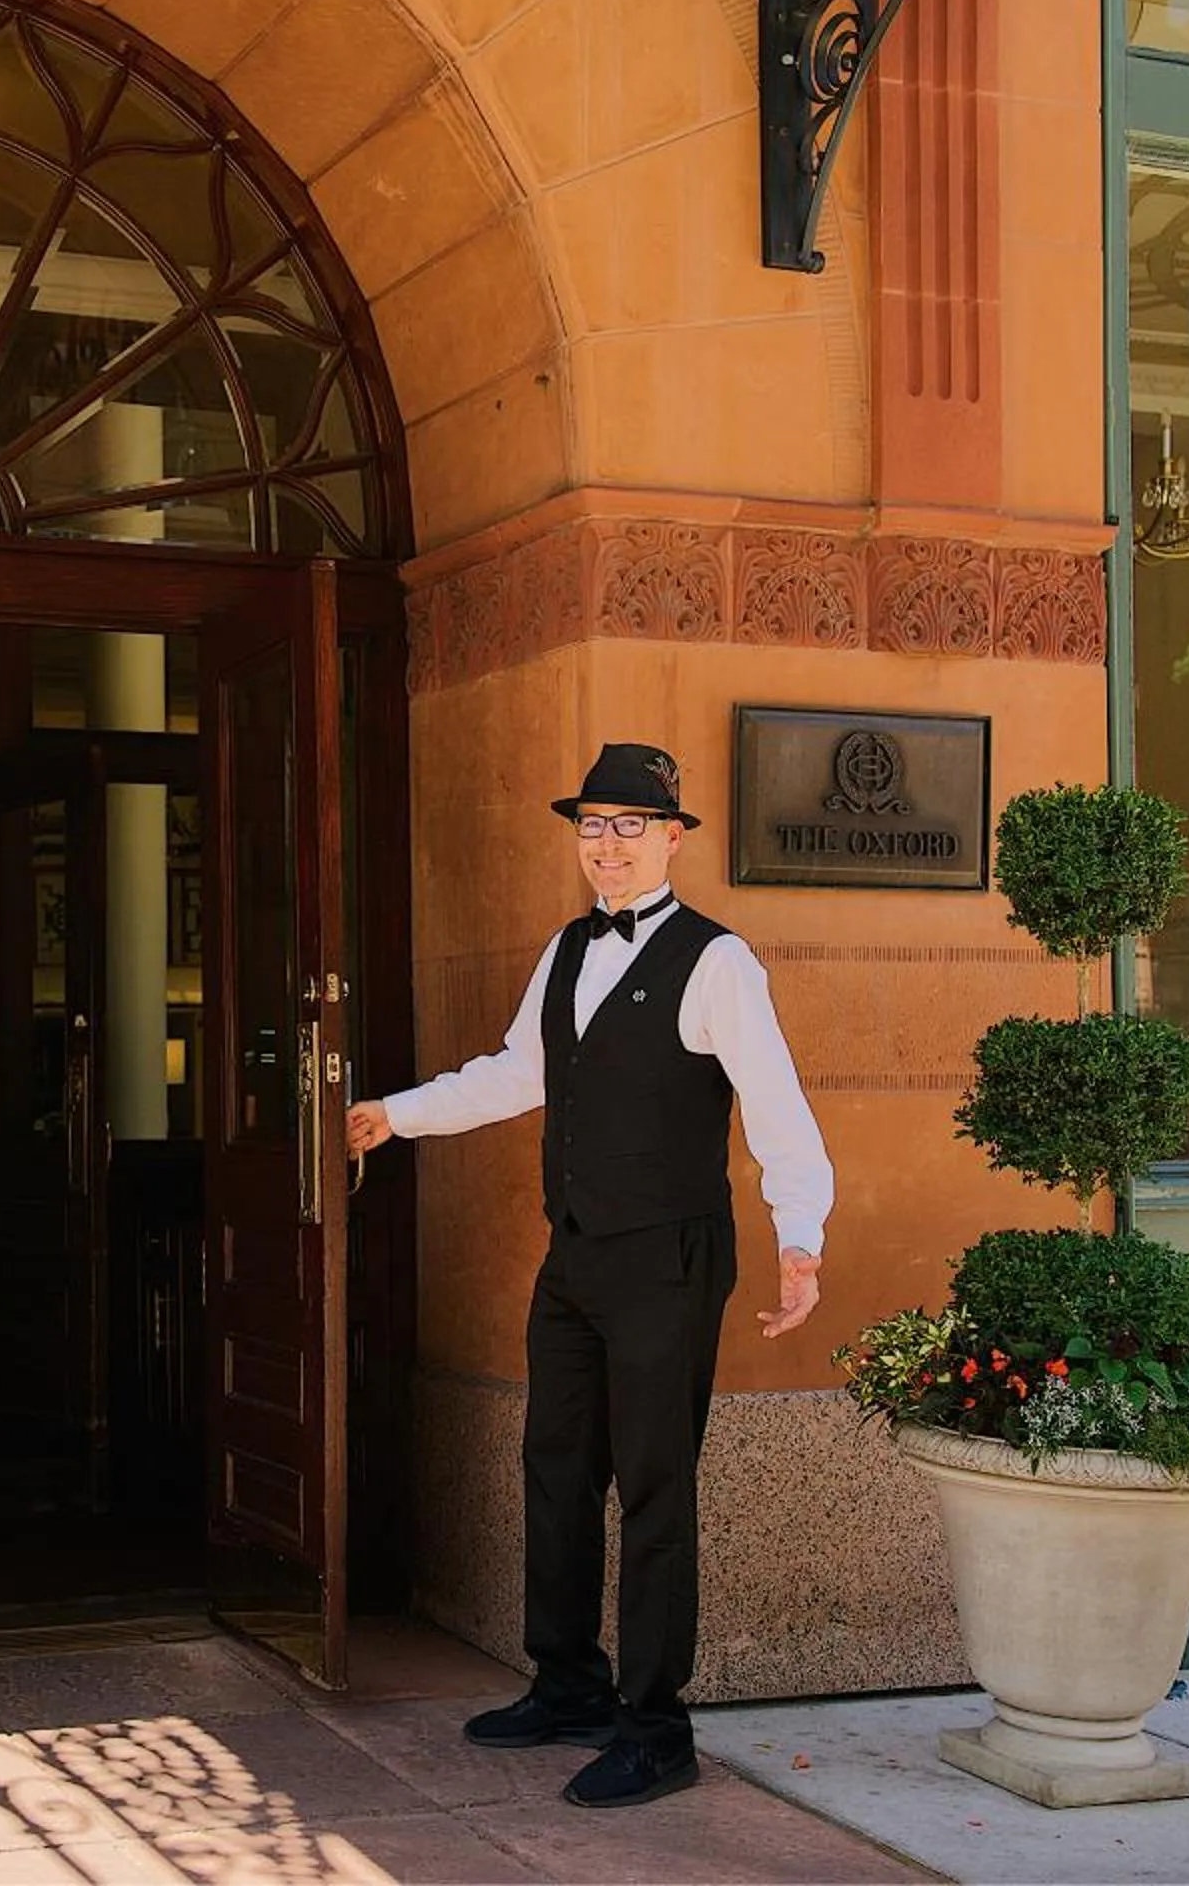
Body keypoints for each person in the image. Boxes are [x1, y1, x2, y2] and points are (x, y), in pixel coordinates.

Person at [345, 742, 833, 1811]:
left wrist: (801, 1235)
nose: (606, 844)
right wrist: (399, 1113)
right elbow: (519, 1073)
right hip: (577, 1251)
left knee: (655, 1486)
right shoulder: (566, 948)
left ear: (672, 837)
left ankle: (657, 1726)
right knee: (556, 1467)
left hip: (669, 1252)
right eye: (592, 825)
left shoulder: (718, 960)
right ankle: (568, 1683)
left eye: (628, 824)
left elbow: (777, 1102)